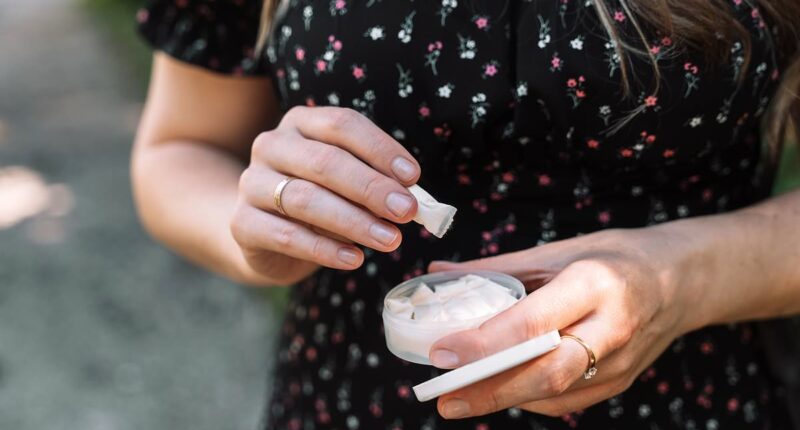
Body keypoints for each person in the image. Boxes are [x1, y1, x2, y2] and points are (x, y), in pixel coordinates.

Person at [132, 0, 800, 428]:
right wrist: (257, 226)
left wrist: (675, 282)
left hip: (693, 401)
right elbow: (180, 148)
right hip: (353, 400)